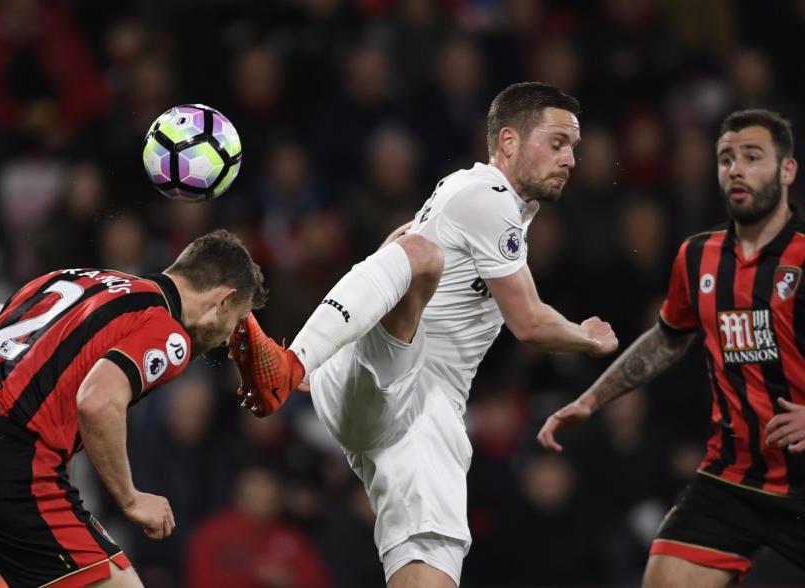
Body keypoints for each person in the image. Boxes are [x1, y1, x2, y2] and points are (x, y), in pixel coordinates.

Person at [229, 82, 619, 587]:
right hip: (407, 388)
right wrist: (586, 336)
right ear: (508, 141)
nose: (570, 159)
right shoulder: (488, 196)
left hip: (413, 416)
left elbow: (390, 251)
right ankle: (291, 363)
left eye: (575, 148)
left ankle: (304, 364)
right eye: (558, 142)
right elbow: (529, 322)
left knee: (429, 572)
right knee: (419, 258)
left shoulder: (468, 196)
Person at [0, 229, 266, 588]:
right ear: (222, 301)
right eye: (233, 324)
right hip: (8, 465)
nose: (225, 340)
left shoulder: (59, 281)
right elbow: (98, 401)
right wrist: (131, 498)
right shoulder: (165, 329)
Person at [538, 109, 805, 585]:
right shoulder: (697, 256)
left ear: (787, 170)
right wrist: (591, 399)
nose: (736, 169)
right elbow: (667, 339)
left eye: (752, 156)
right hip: (731, 481)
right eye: (726, 158)